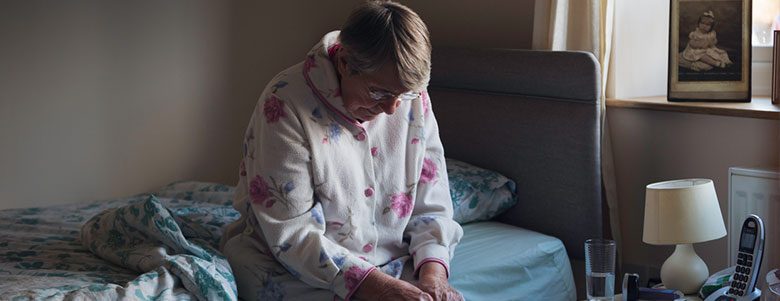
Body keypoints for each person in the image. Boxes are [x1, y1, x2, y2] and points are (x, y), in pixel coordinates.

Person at [219, 1, 464, 300]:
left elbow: (431, 203)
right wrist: (379, 286)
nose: (391, 108)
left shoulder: (407, 94)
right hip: (290, 264)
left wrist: (433, 276)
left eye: (405, 94)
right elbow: (290, 233)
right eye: (379, 92)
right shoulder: (285, 103)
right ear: (345, 63)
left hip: (391, 263)